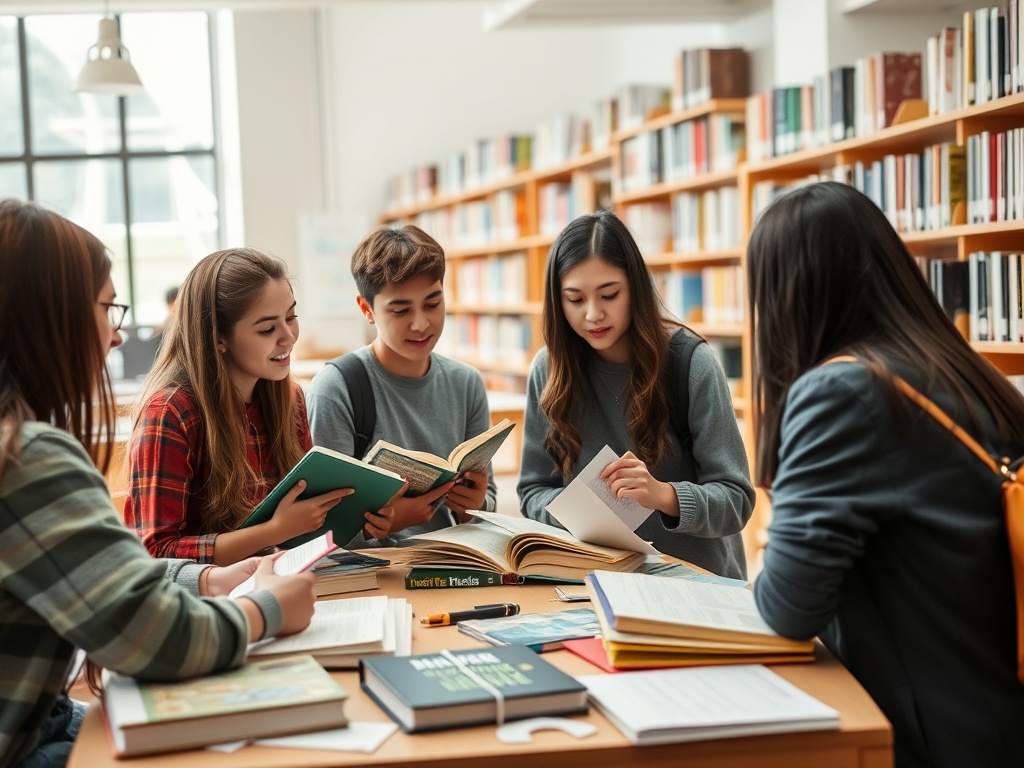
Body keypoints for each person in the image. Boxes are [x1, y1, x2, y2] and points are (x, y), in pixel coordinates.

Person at [0, 199, 317, 768]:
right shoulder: (27, 459)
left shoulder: (19, 447)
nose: (119, 337)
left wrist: (207, 580)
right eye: (106, 308)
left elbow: (114, 578)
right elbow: (151, 639)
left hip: (40, 716)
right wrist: (266, 609)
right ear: (51, 318)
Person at [748, 181, 1024, 767]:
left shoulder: (844, 390)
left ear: (785, 294)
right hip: (995, 704)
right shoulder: (960, 369)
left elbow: (789, 610)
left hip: (937, 733)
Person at [517, 210, 754, 579]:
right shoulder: (548, 371)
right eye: (575, 300)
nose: (593, 314)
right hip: (596, 583)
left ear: (636, 288)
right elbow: (533, 491)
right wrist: (579, 510)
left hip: (696, 589)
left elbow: (736, 501)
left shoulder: (691, 364)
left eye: (609, 294)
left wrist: (662, 495)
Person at [123, 247, 394, 565]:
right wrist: (273, 532)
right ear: (218, 338)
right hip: (206, 602)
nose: (289, 337)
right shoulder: (170, 413)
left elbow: (301, 528)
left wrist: (362, 521)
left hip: (276, 585)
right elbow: (157, 554)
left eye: (291, 317)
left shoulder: (289, 399)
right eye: (267, 329)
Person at [306, 225, 497, 547]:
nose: (421, 324)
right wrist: (381, 526)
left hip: (452, 560)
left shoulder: (466, 383)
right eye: (401, 310)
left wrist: (475, 507)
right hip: (371, 573)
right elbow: (321, 529)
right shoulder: (335, 387)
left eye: (433, 304)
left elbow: (487, 503)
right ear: (367, 310)